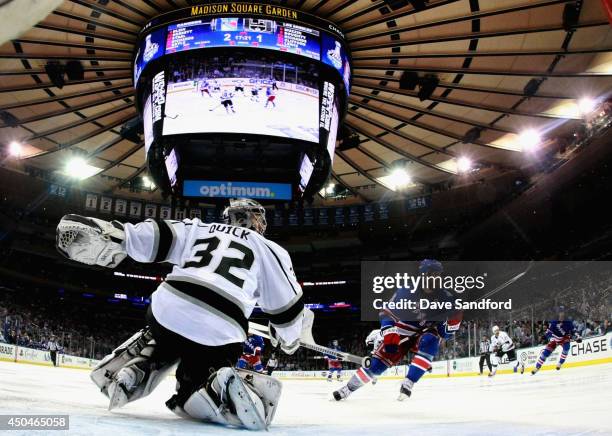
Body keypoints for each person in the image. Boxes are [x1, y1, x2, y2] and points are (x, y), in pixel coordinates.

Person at [56, 198, 307, 430]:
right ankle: (209, 387)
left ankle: (141, 361)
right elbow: (287, 309)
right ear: (257, 221)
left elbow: (156, 236)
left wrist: (122, 236)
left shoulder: (200, 228)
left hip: (169, 305)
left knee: (164, 334)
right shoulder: (270, 249)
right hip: (222, 325)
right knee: (197, 377)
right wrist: (288, 338)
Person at [333, 260, 461, 401]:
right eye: (432, 274)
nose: (436, 278)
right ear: (423, 275)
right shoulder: (407, 291)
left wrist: (448, 324)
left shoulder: (447, 297)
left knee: (431, 340)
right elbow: (386, 313)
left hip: (425, 333)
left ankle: (409, 382)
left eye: (438, 274)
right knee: (376, 366)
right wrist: (389, 333)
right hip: (402, 330)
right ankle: (348, 388)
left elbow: (445, 334)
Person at [532, 306, 581, 374]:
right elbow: (548, 332)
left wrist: (578, 336)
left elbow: (573, 330)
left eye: (563, 312)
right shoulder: (554, 322)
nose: (561, 314)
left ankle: (560, 363)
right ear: (558, 314)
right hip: (555, 338)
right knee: (545, 353)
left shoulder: (568, 322)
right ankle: (537, 367)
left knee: (566, 348)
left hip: (564, 338)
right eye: (560, 312)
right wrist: (550, 338)